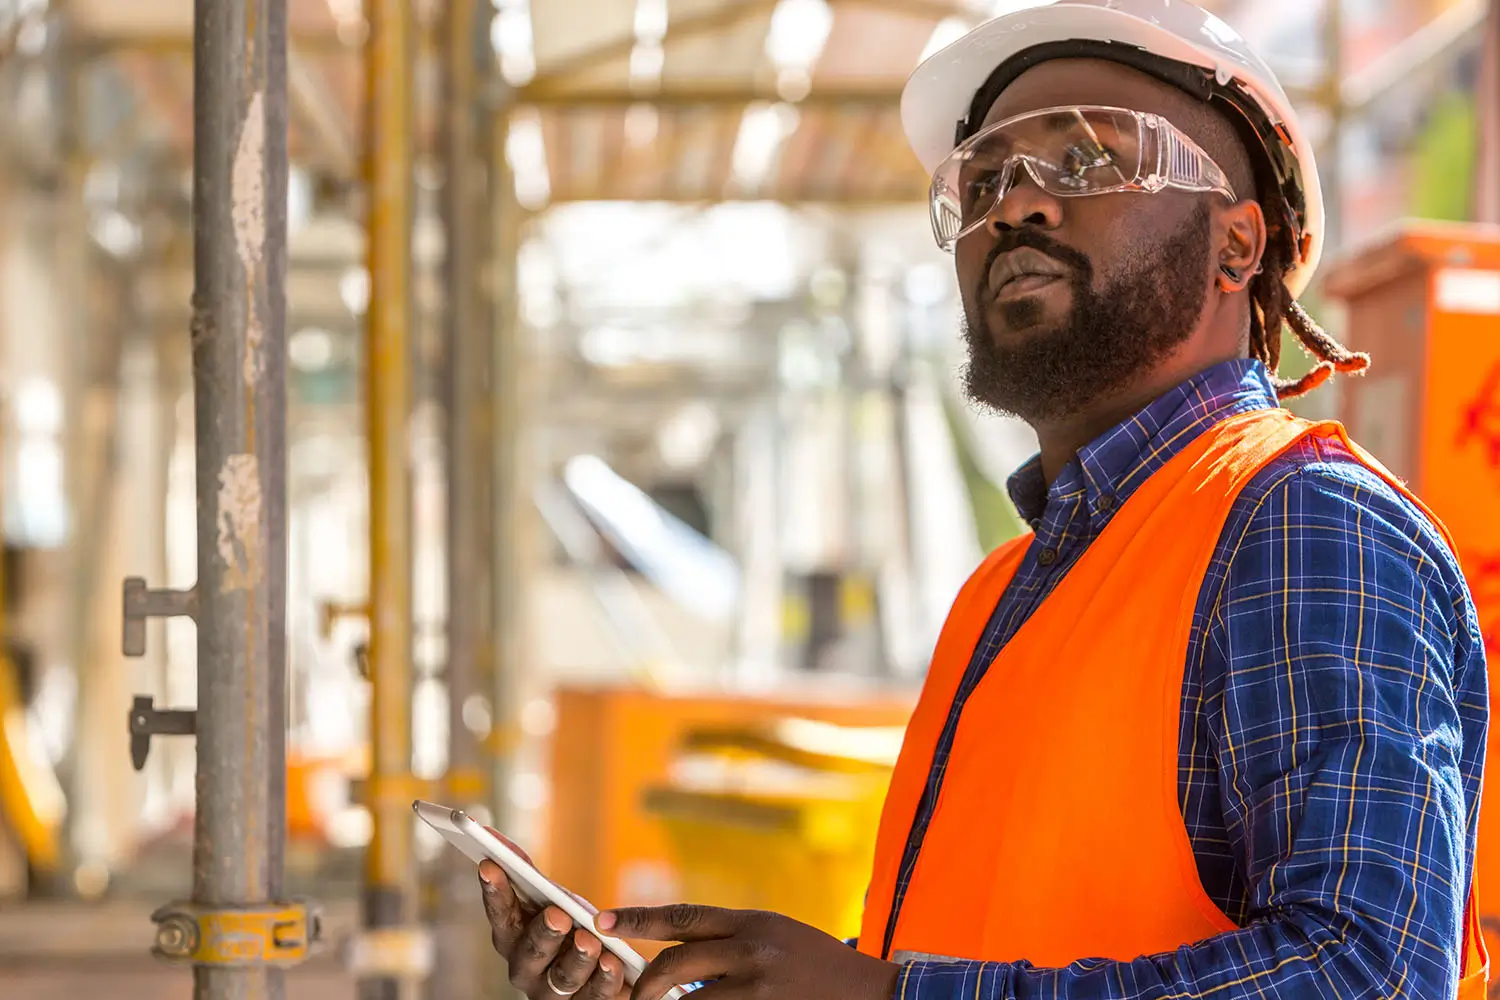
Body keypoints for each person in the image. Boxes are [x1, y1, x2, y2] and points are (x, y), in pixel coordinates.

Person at [478, 1, 1492, 997]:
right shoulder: (1006, 589)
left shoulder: (1305, 525)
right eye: (986, 180)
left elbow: (1369, 972)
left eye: (1088, 160)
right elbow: (986, 943)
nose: (1014, 204)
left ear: (1236, 246)